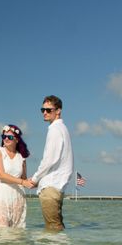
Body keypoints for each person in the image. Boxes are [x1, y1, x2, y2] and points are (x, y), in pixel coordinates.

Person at [30, 95, 74, 231]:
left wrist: (35, 178)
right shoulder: (63, 128)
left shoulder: (55, 129)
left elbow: (49, 159)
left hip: (51, 187)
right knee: (57, 227)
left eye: (49, 110)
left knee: (52, 229)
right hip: (58, 187)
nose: (44, 112)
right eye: (42, 110)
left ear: (58, 111)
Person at [0, 124, 35, 227]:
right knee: (2, 230)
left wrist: (33, 182)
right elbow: (1, 175)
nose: (6, 139)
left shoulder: (21, 157)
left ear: (17, 139)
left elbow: (23, 179)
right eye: (4, 136)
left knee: (17, 232)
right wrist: (23, 182)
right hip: (1, 194)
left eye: (9, 137)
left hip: (18, 195)